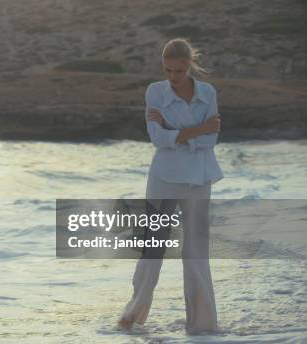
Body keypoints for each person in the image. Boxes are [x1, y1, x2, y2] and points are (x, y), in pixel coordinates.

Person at [118, 38, 223, 335]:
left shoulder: (208, 92)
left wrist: (174, 130)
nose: (172, 77)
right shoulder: (155, 92)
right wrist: (197, 129)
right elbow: (158, 139)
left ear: (189, 66)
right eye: (167, 70)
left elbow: (210, 141)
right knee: (153, 248)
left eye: (178, 71)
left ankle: (202, 326)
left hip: (199, 179)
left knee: (197, 252)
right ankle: (132, 316)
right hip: (164, 178)